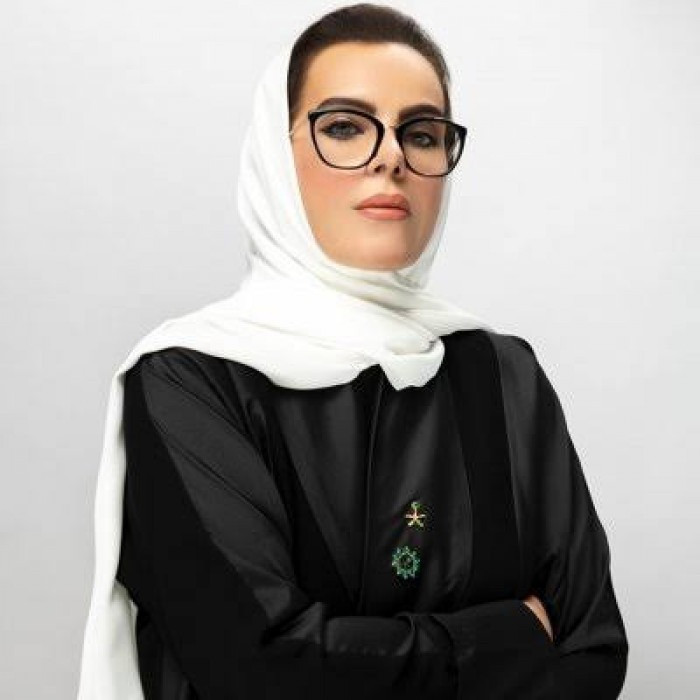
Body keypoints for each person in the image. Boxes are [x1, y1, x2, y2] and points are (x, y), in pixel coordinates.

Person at [75, 4, 629, 699]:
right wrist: (510, 636)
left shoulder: (501, 373)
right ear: (277, 156)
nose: (392, 157)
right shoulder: (191, 378)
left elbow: (592, 654)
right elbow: (259, 669)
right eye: (344, 127)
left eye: (421, 133)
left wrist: (353, 656)